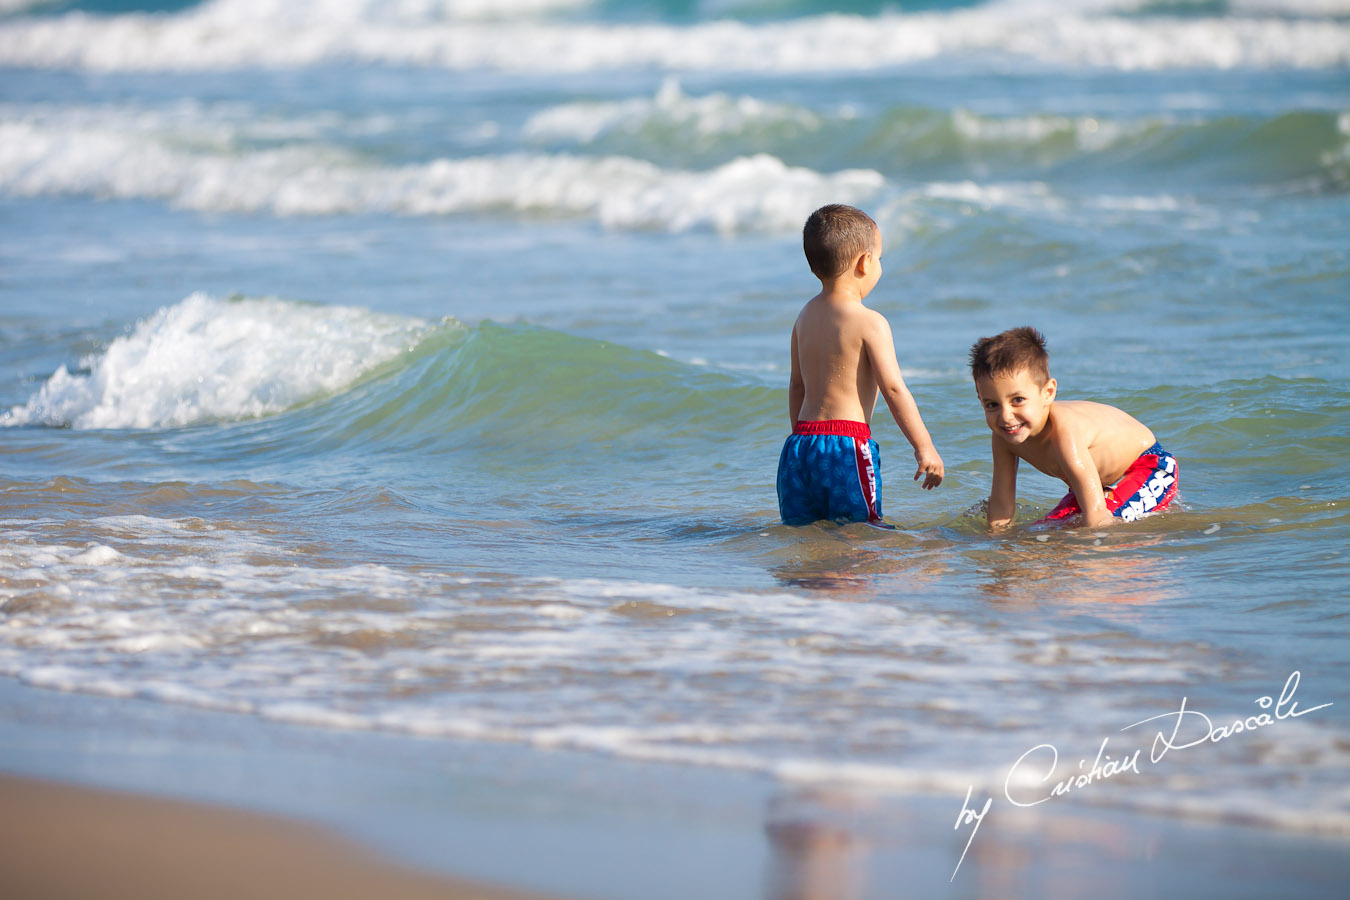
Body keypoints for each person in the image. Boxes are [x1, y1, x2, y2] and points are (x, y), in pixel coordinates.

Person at [776, 204, 944, 527]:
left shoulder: (803, 317)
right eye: (879, 258)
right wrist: (925, 447)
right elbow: (894, 389)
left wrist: (803, 442)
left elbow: (796, 386)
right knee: (861, 534)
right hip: (846, 446)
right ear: (865, 263)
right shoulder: (870, 322)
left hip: (799, 447)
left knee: (807, 533)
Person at [969, 326, 1178, 529]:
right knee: (1046, 529)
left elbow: (1097, 518)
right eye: (992, 405)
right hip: (1101, 484)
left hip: (1148, 467)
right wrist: (996, 544)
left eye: (1018, 400)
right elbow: (1001, 507)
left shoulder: (1064, 431)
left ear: (1048, 393)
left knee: (1092, 531)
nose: (1006, 416)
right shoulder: (1003, 437)